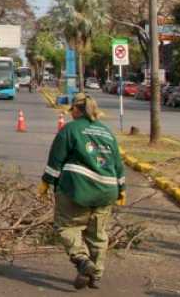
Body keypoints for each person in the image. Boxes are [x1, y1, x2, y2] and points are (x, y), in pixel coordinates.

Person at [38, 93, 125, 290]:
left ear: (77, 110)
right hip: (106, 191)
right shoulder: (107, 132)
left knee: (66, 226)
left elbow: (56, 160)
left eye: (72, 110)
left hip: (77, 189)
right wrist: (122, 189)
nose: (71, 114)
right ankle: (96, 275)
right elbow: (118, 164)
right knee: (98, 234)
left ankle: (82, 259)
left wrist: (46, 182)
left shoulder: (70, 130)